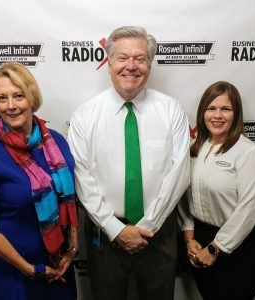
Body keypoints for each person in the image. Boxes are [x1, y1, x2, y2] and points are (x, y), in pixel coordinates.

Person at [68, 26, 190, 300]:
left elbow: (179, 174)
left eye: (140, 58)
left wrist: (147, 226)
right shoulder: (85, 116)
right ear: (109, 63)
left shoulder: (171, 111)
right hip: (105, 236)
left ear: (150, 64)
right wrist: (115, 229)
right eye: (122, 58)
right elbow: (82, 178)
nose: (131, 66)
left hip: (158, 234)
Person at [0, 62, 79, 300]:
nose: (11, 106)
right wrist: (30, 270)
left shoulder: (57, 142)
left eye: (18, 96)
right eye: (2, 98)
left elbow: (68, 201)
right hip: (10, 276)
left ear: (32, 96)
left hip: (58, 270)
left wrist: (72, 249)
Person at [178, 81, 255, 300]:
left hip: (240, 247)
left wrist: (215, 249)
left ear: (235, 114)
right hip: (200, 240)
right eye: (211, 108)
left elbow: (249, 210)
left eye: (225, 109)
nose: (217, 115)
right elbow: (183, 196)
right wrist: (190, 239)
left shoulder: (248, 153)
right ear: (203, 113)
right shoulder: (193, 148)